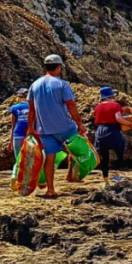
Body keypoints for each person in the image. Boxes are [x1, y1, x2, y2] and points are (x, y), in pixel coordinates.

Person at [26, 54, 85, 198]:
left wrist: (30, 128)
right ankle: (73, 175)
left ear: (45, 67)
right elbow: (71, 104)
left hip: (44, 129)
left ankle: (50, 189)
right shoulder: (62, 84)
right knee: (79, 149)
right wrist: (79, 123)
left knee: (50, 158)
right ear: (59, 68)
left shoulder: (35, 85)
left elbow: (31, 109)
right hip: (64, 126)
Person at [93, 86, 129, 183]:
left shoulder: (97, 107)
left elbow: (96, 119)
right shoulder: (115, 105)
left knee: (105, 158)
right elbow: (119, 118)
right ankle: (117, 174)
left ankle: (106, 181)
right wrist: (130, 124)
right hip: (112, 131)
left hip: (100, 131)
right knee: (120, 153)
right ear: (110, 96)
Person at [7, 89, 30, 161]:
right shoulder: (35, 107)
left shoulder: (14, 108)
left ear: (19, 97)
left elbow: (13, 126)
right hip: (30, 136)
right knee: (30, 160)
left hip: (18, 135)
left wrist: (10, 142)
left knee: (18, 160)